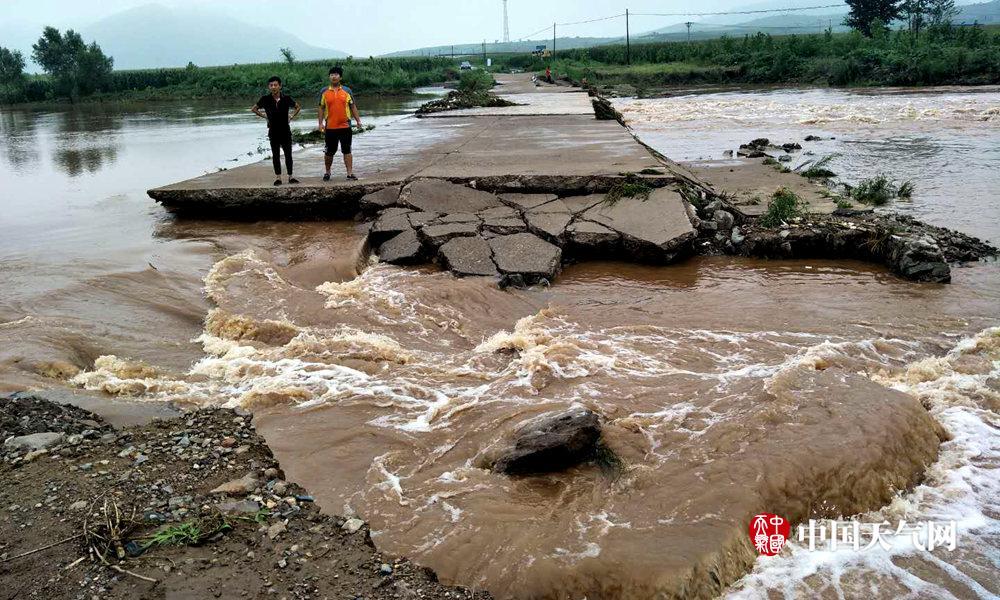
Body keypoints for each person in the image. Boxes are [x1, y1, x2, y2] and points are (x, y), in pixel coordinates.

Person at [252, 76, 301, 185]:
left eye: (275, 85)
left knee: (288, 154)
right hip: (273, 131)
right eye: (271, 85)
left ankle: (290, 176)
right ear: (269, 87)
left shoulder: (286, 98)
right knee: (276, 154)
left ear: (280, 86)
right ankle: (278, 177)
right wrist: (265, 116)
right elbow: (254, 109)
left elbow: (298, 107)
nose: (273, 87)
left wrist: (291, 116)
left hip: (285, 130)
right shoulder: (265, 99)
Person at [318, 66, 363, 181]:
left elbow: (353, 106)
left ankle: (349, 173)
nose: (334, 76)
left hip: (345, 126)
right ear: (329, 77)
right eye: (332, 74)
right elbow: (321, 108)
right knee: (329, 151)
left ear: (340, 77)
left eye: (336, 74)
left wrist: (358, 120)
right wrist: (320, 123)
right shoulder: (324, 91)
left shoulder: (347, 91)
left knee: (347, 150)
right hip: (330, 127)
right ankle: (327, 172)